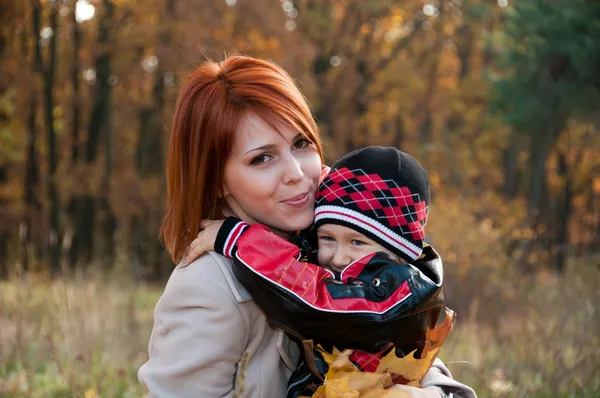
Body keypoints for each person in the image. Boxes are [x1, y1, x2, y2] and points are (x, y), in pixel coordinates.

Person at [139, 54, 473, 398]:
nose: (297, 174)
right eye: (262, 158)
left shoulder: (332, 238)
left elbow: (407, 349)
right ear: (216, 180)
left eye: (301, 144)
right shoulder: (207, 288)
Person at [191, 147, 477, 398]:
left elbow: (318, 301)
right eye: (327, 238)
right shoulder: (379, 274)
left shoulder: (396, 289)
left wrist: (239, 239)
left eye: (357, 242)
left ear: (398, 251)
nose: (338, 258)